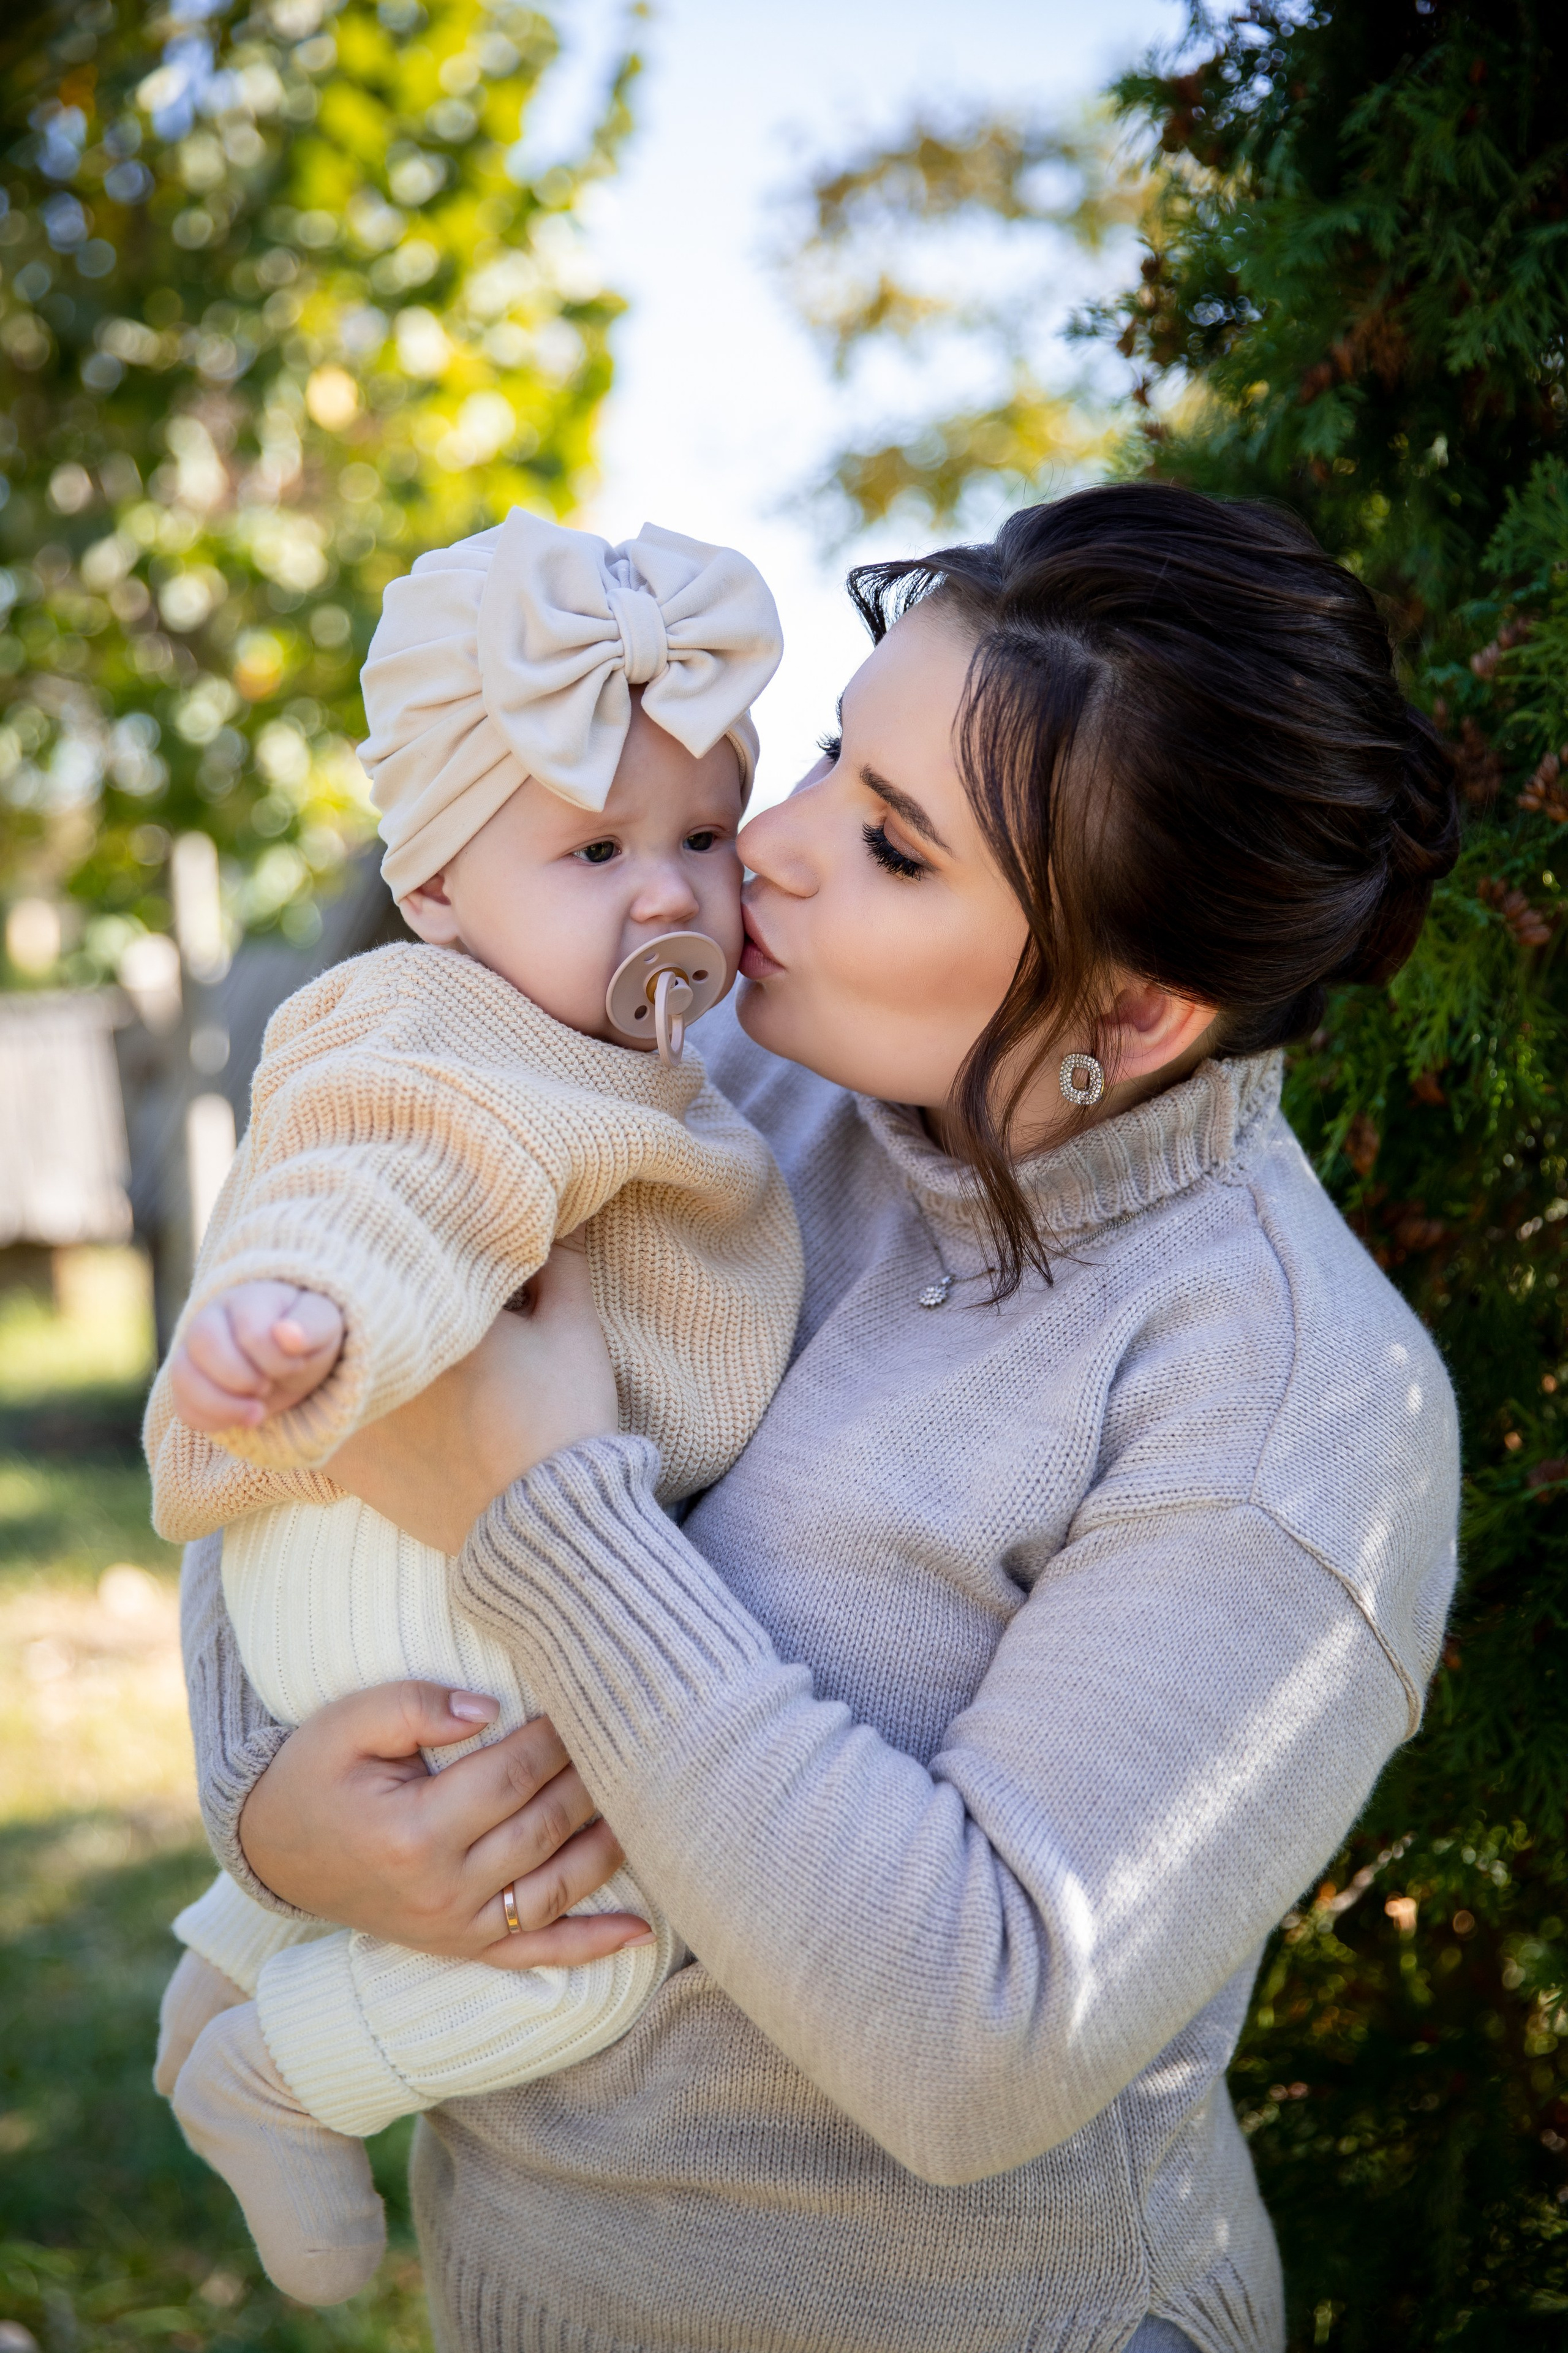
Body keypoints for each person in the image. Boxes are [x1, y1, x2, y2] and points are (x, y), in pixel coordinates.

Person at [177, 484, 1463, 2353]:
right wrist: (274, 1814)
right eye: (830, 757)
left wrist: (552, 1522)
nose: (755, 853)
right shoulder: (707, 1095)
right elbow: (317, 1391)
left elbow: (979, 2040)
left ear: (1140, 1006)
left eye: (888, 843)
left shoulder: (1284, 1406)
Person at [143, 509, 801, 2305]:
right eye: (592, 847)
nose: (667, 892)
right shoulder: (437, 1028)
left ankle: (221, 1971)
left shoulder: (618, 1053)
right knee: (597, 1925)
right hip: (410, 1539)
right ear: (437, 886)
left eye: (702, 837)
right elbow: (372, 1164)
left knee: (421, 1830)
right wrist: (302, 1306)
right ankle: (282, 2069)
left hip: (404, 1562)